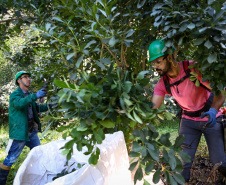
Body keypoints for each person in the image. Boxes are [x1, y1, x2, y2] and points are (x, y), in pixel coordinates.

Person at [149, 39, 226, 184]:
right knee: (181, 164)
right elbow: (153, 106)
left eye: (158, 61)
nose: (155, 66)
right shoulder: (163, 83)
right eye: (153, 63)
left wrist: (213, 111)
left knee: (219, 162)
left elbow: (220, 94)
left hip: (211, 117)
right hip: (188, 121)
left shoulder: (193, 69)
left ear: (170, 57)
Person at [0, 71, 49, 185]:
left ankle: (39, 178)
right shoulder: (15, 95)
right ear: (19, 80)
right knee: (11, 159)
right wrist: (35, 96)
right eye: (25, 77)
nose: (29, 79)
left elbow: (36, 108)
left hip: (31, 132)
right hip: (20, 133)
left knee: (39, 154)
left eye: (29, 77)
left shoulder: (29, 95)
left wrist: (50, 106)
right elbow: (19, 104)